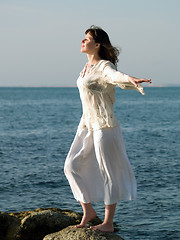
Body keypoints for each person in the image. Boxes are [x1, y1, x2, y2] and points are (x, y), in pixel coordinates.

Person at [64, 25, 151, 233]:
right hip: (86, 125)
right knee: (70, 166)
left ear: (98, 44)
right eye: (83, 38)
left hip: (104, 126)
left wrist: (129, 79)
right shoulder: (85, 69)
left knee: (108, 173)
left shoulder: (104, 66)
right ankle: (89, 211)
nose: (82, 41)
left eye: (86, 39)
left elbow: (115, 76)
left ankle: (108, 223)